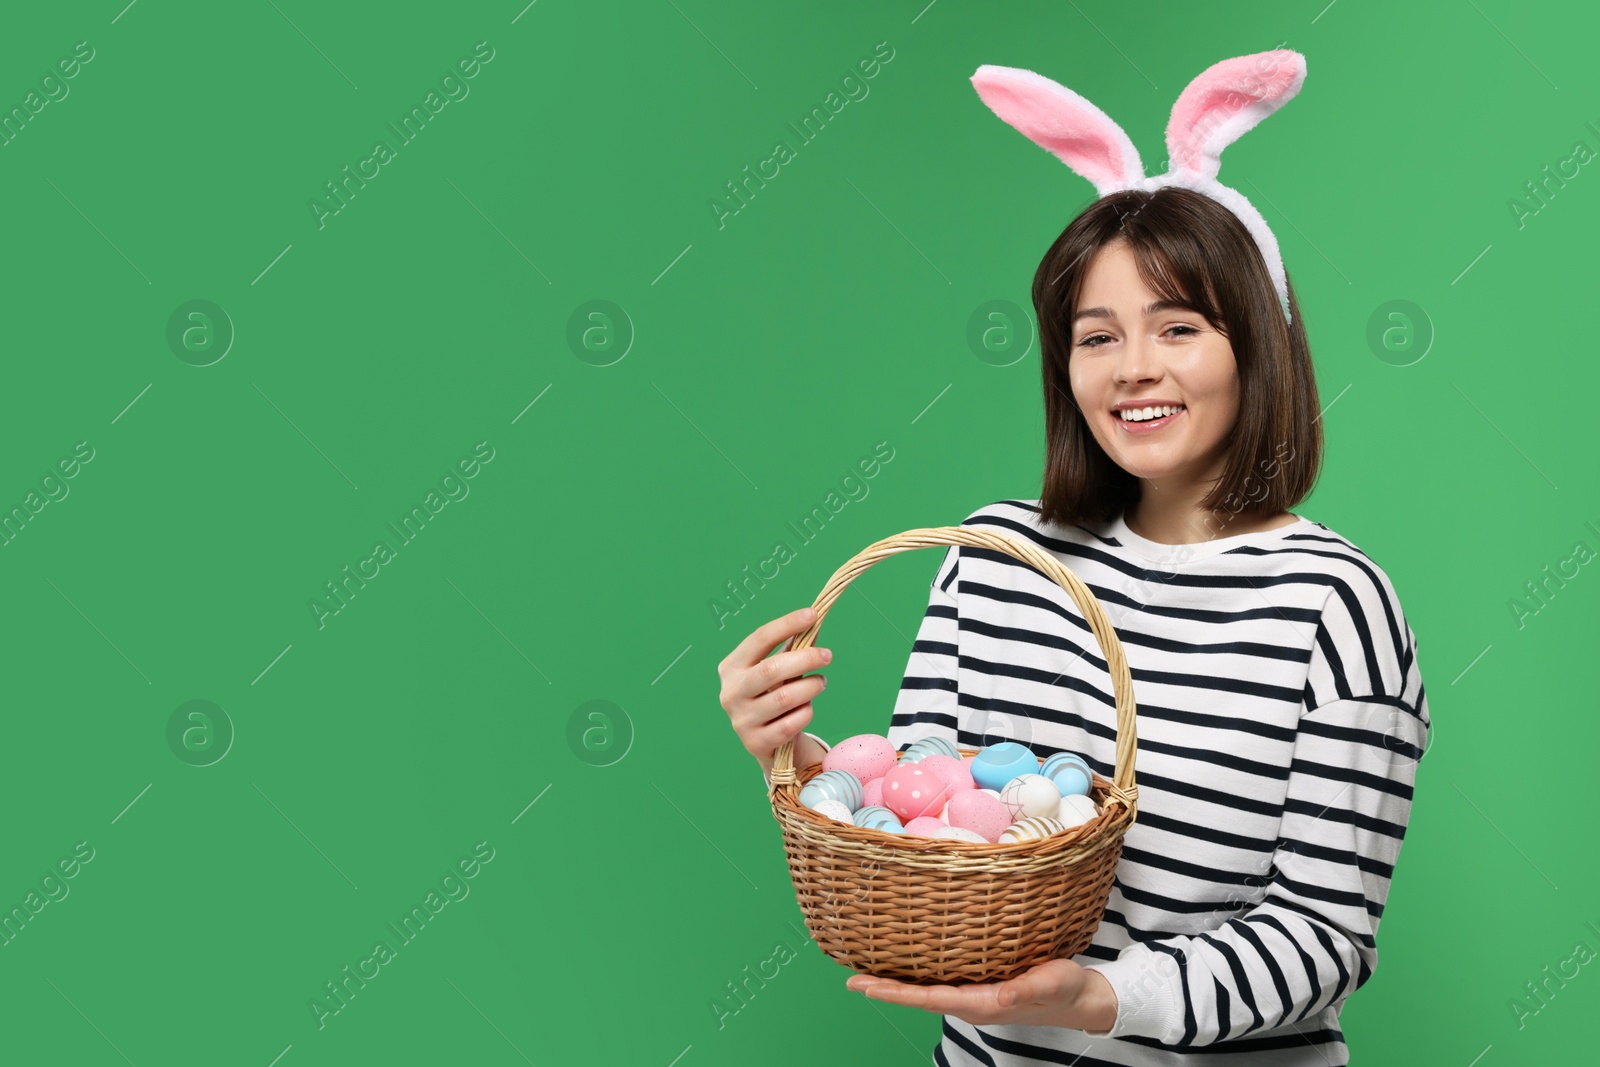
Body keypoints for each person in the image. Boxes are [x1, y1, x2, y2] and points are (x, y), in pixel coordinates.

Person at [720, 51, 1429, 1065]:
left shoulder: (1334, 605)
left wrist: (1101, 997)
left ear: (1256, 346)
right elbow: (922, 813)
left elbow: (1324, 935)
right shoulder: (1000, 556)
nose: (1133, 366)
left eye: (1178, 326)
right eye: (1096, 337)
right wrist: (791, 755)